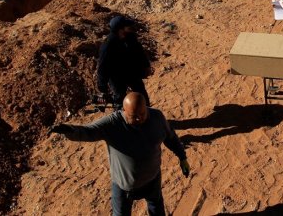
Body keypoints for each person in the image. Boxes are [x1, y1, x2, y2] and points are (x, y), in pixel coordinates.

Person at [49, 92, 191, 216]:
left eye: (142, 114)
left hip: (152, 180)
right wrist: (69, 130)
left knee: (156, 208)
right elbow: (89, 132)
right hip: (124, 186)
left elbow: (171, 138)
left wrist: (182, 157)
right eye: (134, 116)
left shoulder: (157, 117)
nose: (139, 119)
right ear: (124, 110)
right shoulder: (112, 124)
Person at [98, 16, 152, 107]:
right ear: (120, 29)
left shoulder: (130, 37)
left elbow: (140, 52)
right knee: (120, 101)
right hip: (116, 77)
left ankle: (147, 116)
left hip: (131, 72)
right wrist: (102, 87)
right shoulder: (108, 46)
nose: (130, 27)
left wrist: (146, 66)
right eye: (127, 25)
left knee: (142, 97)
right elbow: (103, 67)